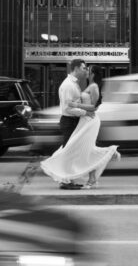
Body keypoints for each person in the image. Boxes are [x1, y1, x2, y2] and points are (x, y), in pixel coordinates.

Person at [40, 63, 120, 191]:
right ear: (76, 68)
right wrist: (77, 106)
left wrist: (76, 105)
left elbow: (95, 107)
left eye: (88, 70)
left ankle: (106, 155)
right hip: (82, 120)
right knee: (84, 149)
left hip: (89, 120)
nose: (86, 71)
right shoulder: (77, 85)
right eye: (84, 68)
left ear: (93, 73)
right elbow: (72, 106)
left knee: (82, 149)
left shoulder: (93, 86)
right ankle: (91, 175)